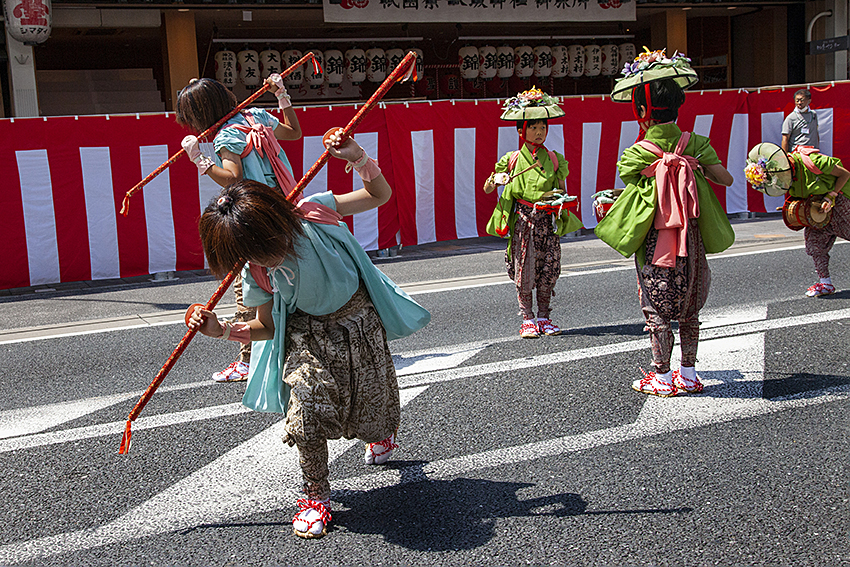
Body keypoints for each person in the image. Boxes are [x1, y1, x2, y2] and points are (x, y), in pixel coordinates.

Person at [187, 134, 430, 539]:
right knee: (304, 415)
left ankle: (380, 435)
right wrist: (222, 330)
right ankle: (315, 495)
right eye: (249, 253)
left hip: (358, 324)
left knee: (373, 411)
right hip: (306, 337)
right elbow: (266, 326)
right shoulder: (256, 270)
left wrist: (357, 157)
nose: (262, 257)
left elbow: (379, 195)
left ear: (274, 220)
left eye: (262, 245)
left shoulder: (314, 211)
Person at [597, 49, 735, 397]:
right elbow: (726, 179)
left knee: (655, 302)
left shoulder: (638, 153)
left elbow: (633, 184)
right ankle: (688, 375)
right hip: (691, 236)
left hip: (654, 239)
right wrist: (697, 167)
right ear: (678, 106)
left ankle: (661, 377)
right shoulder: (696, 144)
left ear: (642, 111)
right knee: (690, 304)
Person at [176, 76, 302, 382]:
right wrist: (282, 95)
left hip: (256, 215)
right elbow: (294, 132)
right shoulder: (256, 115)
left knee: (249, 284)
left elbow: (233, 177)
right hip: (287, 202)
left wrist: (200, 160)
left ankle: (247, 359)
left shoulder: (226, 136)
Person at [483, 87, 582, 339]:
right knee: (524, 269)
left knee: (549, 269)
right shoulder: (512, 159)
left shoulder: (555, 159)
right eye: (534, 127)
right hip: (523, 222)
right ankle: (527, 318)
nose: (539, 132)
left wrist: (560, 202)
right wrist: (496, 180)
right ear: (521, 131)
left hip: (547, 222)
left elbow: (561, 190)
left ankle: (545, 317)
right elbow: (487, 188)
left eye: (543, 128)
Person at [746, 142, 850, 297]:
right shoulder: (785, 178)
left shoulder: (813, 161)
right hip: (816, 210)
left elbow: (845, 174)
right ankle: (825, 283)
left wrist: (830, 196)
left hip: (840, 202)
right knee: (814, 245)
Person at [781, 89, 819, 153]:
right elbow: (785, 138)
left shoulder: (813, 115)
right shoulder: (791, 118)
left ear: (809, 101)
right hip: (797, 153)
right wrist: (785, 155)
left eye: (802, 100)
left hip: (812, 151)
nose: (799, 103)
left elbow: (816, 133)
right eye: (797, 100)